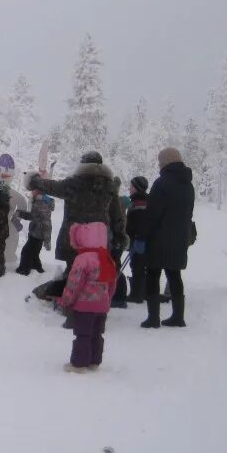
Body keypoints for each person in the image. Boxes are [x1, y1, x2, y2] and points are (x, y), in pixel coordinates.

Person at [26, 151, 127, 326]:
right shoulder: (109, 187)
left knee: (74, 274)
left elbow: (52, 187)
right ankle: (94, 307)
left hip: (74, 239)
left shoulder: (75, 183)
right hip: (99, 241)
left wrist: (34, 181)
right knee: (94, 276)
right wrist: (120, 235)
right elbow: (117, 215)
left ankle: (71, 309)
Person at [133, 147, 195, 328]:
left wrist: (141, 236)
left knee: (153, 274)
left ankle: (153, 318)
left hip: (159, 238)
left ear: (165, 162)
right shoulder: (188, 185)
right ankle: (178, 316)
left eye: (160, 161)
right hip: (180, 238)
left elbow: (152, 214)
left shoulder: (162, 183)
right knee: (174, 274)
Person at [58, 222, 115, 373]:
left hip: (84, 306)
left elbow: (74, 284)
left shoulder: (82, 259)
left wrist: (66, 300)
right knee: (97, 333)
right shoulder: (106, 258)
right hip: (102, 305)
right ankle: (94, 361)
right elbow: (112, 283)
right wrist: (107, 300)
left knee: (83, 334)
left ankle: (79, 364)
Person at [15, 188, 53, 275]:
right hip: (36, 232)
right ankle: (37, 268)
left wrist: (47, 239)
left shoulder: (41, 203)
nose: (32, 192)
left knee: (26, 252)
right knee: (34, 253)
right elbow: (35, 216)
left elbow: (45, 222)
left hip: (38, 234)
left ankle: (23, 271)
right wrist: (20, 213)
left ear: (39, 191)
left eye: (34, 190)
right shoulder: (39, 201)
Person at [125, 176, 149, 303]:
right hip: (138, 239)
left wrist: (138, 237)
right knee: (138, 265)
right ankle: (141, 292)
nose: (130, 188)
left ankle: (137, 294)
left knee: (137, 265)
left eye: (132, 186)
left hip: (138, 239)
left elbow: (139, 223)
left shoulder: (140, 202)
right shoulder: (140, 200)